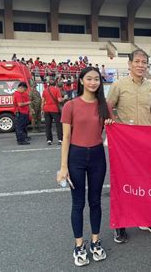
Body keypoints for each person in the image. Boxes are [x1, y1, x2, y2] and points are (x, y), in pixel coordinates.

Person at [57, 67, 112, 267]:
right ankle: (79, 245)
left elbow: (113, 133)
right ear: (81, 81)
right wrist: (63, 167)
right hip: (76, 157)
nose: (93, 82)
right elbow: (66, 138)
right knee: (78, 203)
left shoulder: (104, 105)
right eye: (89, 78)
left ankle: (95, 241)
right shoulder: (70, 105)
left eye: (96, 79)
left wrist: (111, 125)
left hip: (97, 155)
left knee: (95, 201)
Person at [107, 49, 151, 244]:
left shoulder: (150, 87)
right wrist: (114, 126)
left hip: (147, 143)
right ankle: (120, 225)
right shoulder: (118, 85)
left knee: (147, 182)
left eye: (144, 62)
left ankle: (146, 220)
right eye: (137, 61)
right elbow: (108, 107)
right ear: (129, 64)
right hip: (125, 145)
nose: (140, 65)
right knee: (123, 184)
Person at [42, 78, 63, 145]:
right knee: (58, 125)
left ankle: (49, 140)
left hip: (46, 109)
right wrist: (64, 98)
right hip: (54, 109)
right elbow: (59, 100)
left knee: (48, 125)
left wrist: (42, 109)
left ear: (48, 84)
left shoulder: (45, 90)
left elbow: (42, 101)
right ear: (55, 83)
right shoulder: (57, 90)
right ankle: (60, 139)